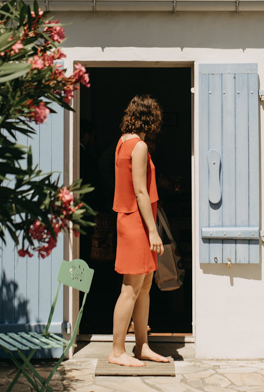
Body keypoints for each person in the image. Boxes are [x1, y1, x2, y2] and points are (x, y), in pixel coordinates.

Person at [108, 95, 173, 367]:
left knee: (145, 286)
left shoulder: (123, 141)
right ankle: (117, 351)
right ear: (151, 118)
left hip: (131, 220)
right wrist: (153, 231)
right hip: (136, 222)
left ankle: (141, 345)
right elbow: (140, 191)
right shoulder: (140, 146)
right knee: (131, 288)